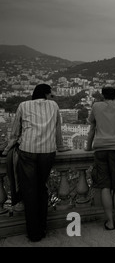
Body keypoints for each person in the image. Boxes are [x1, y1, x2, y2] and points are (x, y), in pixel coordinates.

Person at [1, 84, 70, 242]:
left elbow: (15, 131)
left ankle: (33, 232)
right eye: (50, 94)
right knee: (41, 188)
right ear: (46, 94)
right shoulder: (54, 105)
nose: (51, 97)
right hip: (48, 152)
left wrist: (7, 149)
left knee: (30, 191)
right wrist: (61, 147)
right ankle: (43, 227)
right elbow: (57, 129)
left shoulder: (23, 105)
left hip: (27, 151)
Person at [86, 86, 115, 230]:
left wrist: (88, 147)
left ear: (102, 95)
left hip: (101, 149)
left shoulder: (96, 106)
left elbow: (92, 127)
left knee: (105, 186)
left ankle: (109, 221)